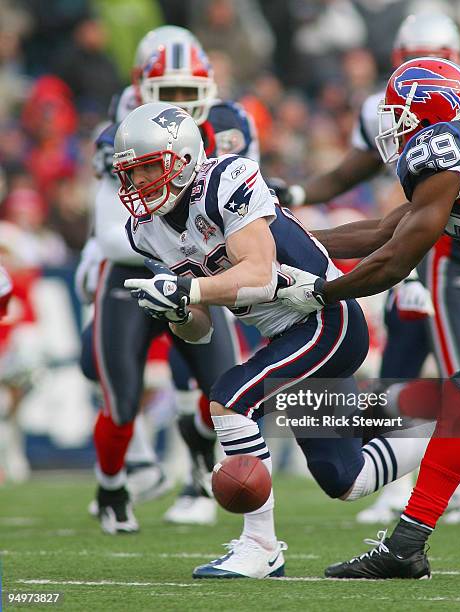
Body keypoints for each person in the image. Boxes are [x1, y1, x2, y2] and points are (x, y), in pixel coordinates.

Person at [113, 101, 434, 579]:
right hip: (285, 333)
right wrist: (177, 310)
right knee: (346, 478)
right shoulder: (145, 231)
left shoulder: (225, 179)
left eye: (148, 169)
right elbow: (198, 328)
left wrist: (188, 288)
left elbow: (260, 274)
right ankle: (457, 424)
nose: (138, 185)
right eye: (130, 174)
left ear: (181, 159)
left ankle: (261, 546)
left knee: (229, 399)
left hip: (326, 319)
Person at [277, 56, 460, 579]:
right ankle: (407, 547)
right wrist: (281, 240)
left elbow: (392, 262)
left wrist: (319, 293)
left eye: (398, 111)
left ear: (427, 113)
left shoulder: (443, 153)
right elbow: (381, 233)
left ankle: (407, 547)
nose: (391, 123)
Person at [78, 25, 257, 534]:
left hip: (192, 277)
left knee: (225, 384)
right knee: (122, 396)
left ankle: (202, 468)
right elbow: (112, 230)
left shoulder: (230, 126)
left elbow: (246, 206)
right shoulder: (123, 134)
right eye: (168, 91)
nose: (179, 102)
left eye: (188, 91)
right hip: (133, 280)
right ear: (142, 88)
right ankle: (112, 485)